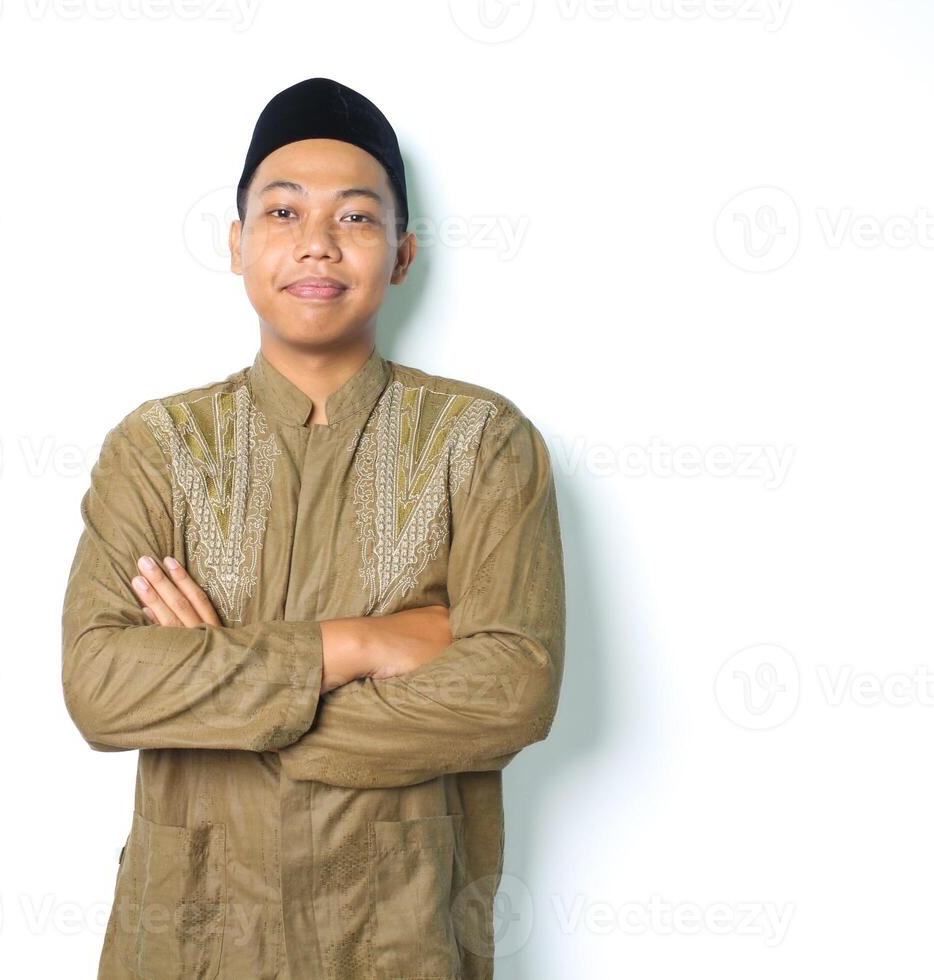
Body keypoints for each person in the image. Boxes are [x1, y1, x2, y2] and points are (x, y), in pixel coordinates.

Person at [61, 76, 566, 980]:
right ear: (237, 244)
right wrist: (365, 644)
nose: (317, 245)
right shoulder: (158, 446)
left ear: (403, 254)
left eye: (357, 218)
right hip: (188, 936)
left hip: (399, 932)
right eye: (283, 213)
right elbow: (101, 686)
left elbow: (508, 691)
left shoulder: (482, 444)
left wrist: (218, 692)